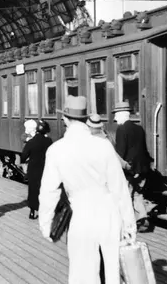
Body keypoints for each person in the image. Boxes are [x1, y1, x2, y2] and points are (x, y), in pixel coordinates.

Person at [39, 96, 136, 284]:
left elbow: (49, 192)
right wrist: (129, 224)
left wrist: (46, 225)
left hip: (81, 215)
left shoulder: (56, 150)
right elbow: (119, 188)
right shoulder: (104, 146)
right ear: (86, 119)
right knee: (113, 272)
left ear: (65, 119)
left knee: (83, 274)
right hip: (109, 214)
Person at [113, 101, 153, 232]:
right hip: (141, 169)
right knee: (137, 194)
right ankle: (142, 218)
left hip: (129, 170)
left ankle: (128, 223)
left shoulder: (121, 129)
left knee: (126, 195)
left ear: (122, 114)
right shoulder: (139, 128)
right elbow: (143, 150)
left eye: (116, 115)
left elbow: (120, 153)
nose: (115, 118)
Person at [21, 119, 52, 220]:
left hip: (33, 170)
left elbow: (23, 156)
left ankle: (32, 212)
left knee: (33, 190)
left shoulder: (31, 142)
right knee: (44, 190)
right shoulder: (49, 141)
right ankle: (44, 211)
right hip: (45, 169)